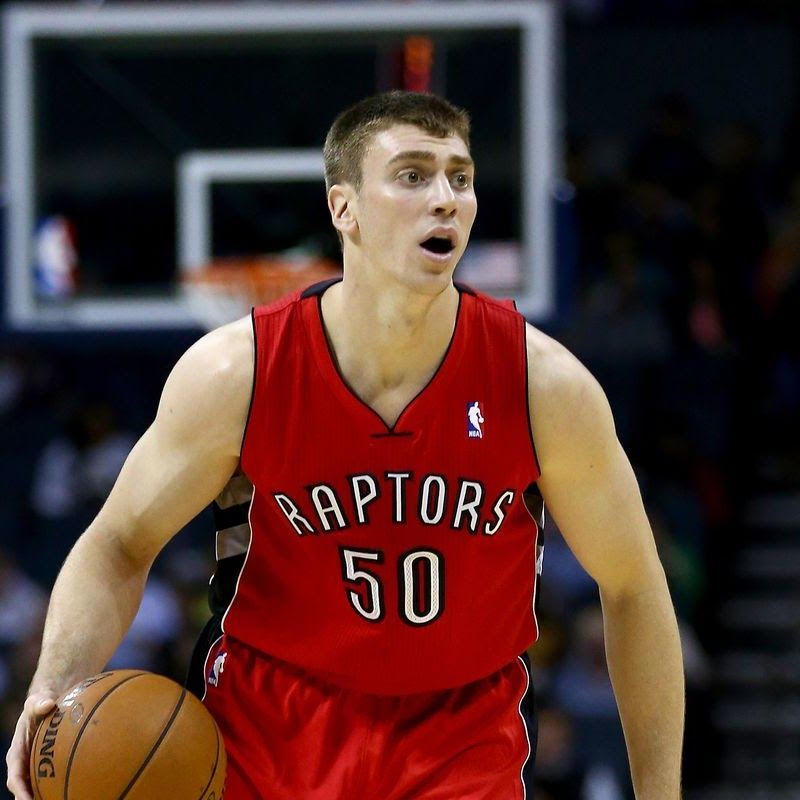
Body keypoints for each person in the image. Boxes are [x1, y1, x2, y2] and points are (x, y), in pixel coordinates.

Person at [6, 91, 684, 800]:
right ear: (344, 209)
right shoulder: (238, 374)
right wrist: (51, 688)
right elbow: (119, 543)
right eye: (413, 175)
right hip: (270, 730)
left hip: (462, 738)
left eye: (460, 177)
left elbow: (634, 586)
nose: (445, 198)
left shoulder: (544, 386)